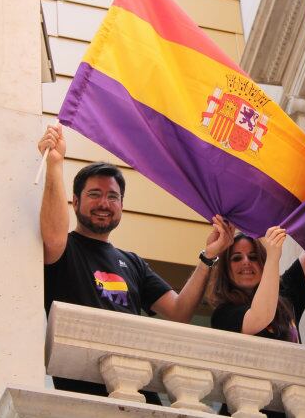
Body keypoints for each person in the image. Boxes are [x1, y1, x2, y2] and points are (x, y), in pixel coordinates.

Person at [38, 123, 234, 403]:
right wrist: (55, 164)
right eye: (94, 194)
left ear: (122, 206)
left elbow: (180, 312)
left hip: (140, 394)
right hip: (85, 397)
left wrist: (208, 256)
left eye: (113, 196)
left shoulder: (133, 263)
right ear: (75, 201)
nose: (104, 203)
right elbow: (52, 236)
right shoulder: (64, 248)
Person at [206, 228, 305, 343]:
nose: (246, 262)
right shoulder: (223, 314)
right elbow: (261, 317)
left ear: (262, 263)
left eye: (253, 257)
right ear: (226, 270)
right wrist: (273, 255)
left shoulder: (284, 289)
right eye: (237, 258)